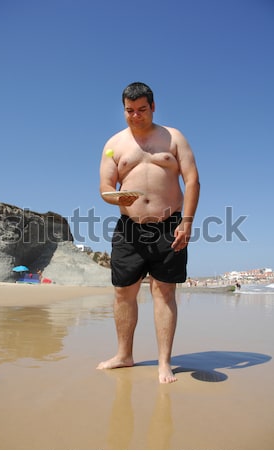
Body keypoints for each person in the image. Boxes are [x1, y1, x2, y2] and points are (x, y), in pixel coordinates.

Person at [97, 82, 200, 384]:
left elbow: (192, 181)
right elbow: (105, 187)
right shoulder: (114, 143)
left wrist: (188, 222)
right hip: (129, 229)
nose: (135, 116)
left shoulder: (173, 137)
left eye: (141, 109)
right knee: (122, 292)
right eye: (129, 111)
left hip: (170, 226)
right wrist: (116, 197)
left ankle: (164, 363)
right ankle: (124, 355)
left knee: (164, 292)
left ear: (153, 107)